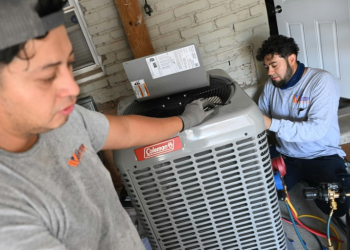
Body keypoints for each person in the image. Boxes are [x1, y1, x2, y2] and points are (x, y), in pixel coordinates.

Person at [0, 1, 214, 249]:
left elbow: (126, 130)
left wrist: (185, 120)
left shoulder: (63, 119)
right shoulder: (8, 215)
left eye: (69, 64)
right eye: (47, 77)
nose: (72, 88)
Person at [256, 35, 350, 217]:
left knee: (338, 206)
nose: (269, 72)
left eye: (274, 65)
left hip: (321, 155)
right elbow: (260, 114)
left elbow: (316, 130)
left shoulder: (321, 81)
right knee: (260, 195)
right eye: (266, 67)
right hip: (286, 156)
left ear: (291, 59)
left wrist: (272, 124)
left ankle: (314, 180)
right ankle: (300, 179)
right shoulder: (272, 84)